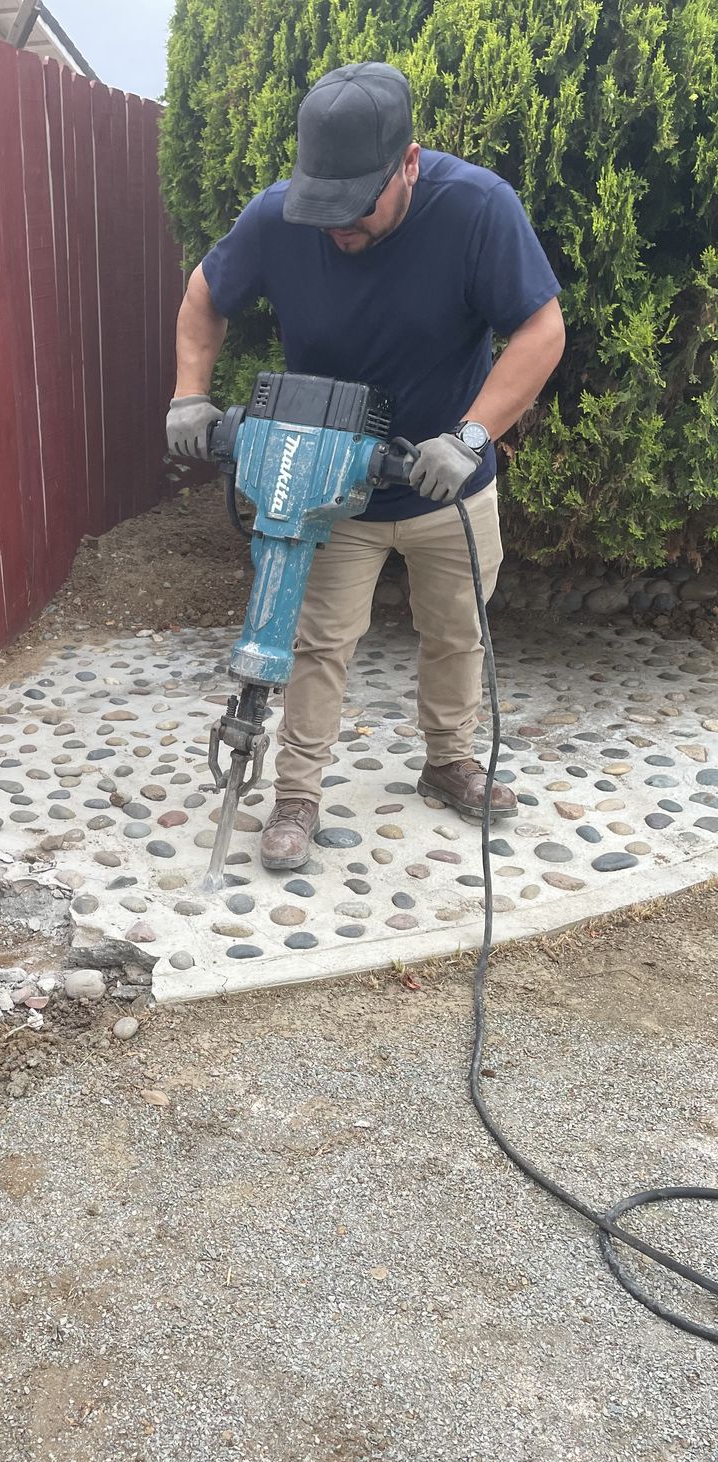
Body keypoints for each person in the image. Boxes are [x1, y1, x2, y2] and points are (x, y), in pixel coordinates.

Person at [167, 61, 565, 872]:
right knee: (317, 642)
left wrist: (473, 436)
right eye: (323, 208)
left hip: (447, 483)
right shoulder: (278, 216)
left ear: (408, 163)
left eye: (355, 209)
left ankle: (450, 759)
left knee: (457, 632)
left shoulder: (478, 208)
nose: (336, 227)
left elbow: (541, 329)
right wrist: (188, 398)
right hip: (327, 485)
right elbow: (206, 294)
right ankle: (298, 795)